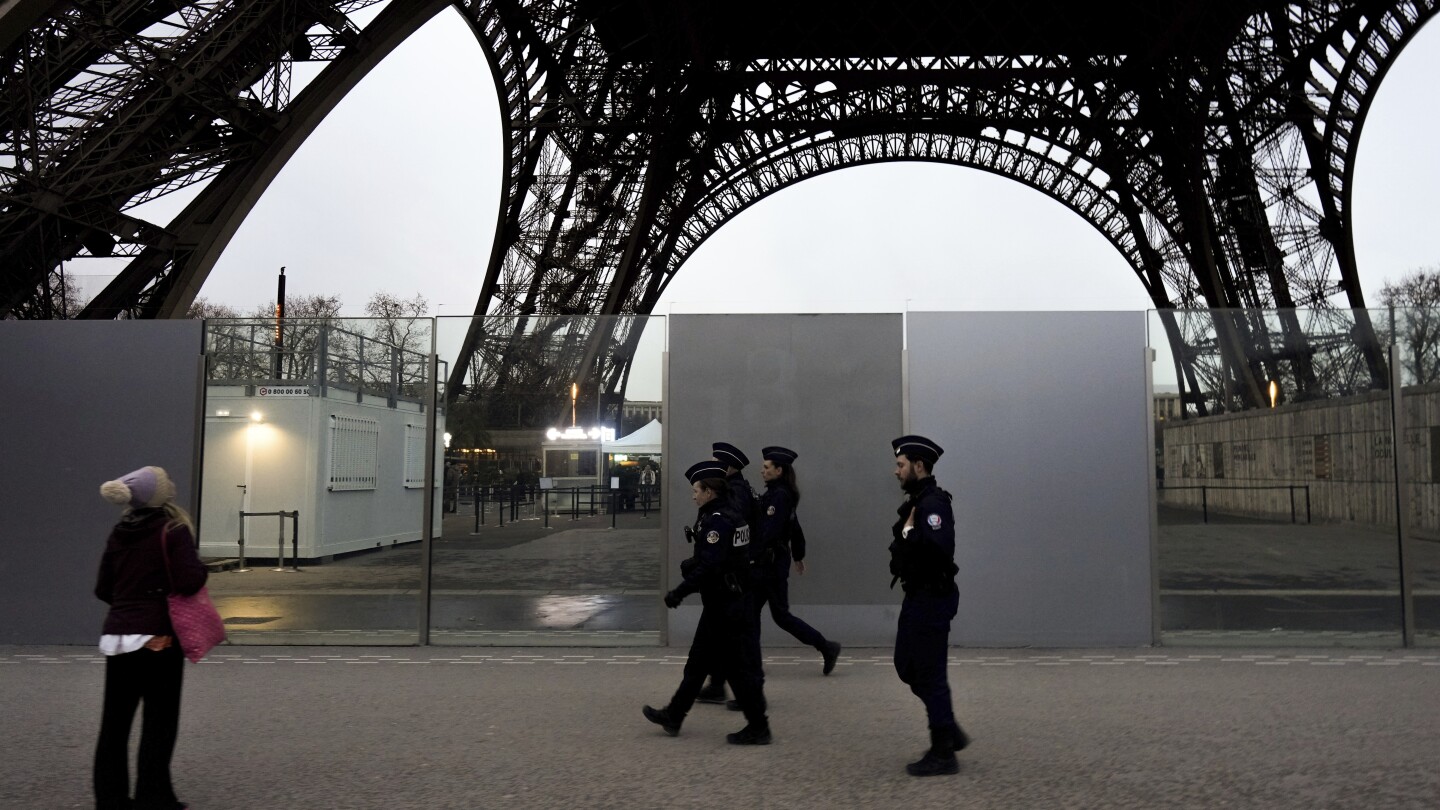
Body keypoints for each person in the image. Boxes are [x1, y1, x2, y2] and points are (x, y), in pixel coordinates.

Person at [93, 466, 208, 810]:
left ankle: (110, 799)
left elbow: (103, 588)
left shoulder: (119, 532)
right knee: (159, 719)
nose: (171, 483)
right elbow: (189, 581)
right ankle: (153, 796)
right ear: (159, 493)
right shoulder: (173, 531)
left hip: (118, 636)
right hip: (159, 637)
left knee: (115, 722)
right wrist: (201, 569)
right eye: (166, 480)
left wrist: (129, 607)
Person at [643, 461, 771, 744]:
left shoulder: (719, 520)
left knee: (737, 670)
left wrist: (679, 591)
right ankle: (674, 715)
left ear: (710, 491)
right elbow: (722, 558)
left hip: (726, 606)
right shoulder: (728, 514)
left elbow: (711, 566)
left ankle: (759, 726)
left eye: (696, 490)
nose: (693, 496)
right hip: (723, 603)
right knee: (698, 664)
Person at [888, 435, 969, 777]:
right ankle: (947, 727)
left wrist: (909, 535)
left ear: (918, 466)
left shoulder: (933, 503)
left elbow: (940, 550)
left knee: (931, 674)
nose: (896, 471)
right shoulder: (918, 499)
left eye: (901, 465)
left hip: (931, 598)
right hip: (917, 596)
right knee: (906, 664)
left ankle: (943, 751)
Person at [737, 446, 841, 696]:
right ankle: (755, 665)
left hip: (769, 565)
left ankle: (826, 646)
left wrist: (750, 558)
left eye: (766, 467)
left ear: (779, 470)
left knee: (777, 615)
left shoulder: (779, 496)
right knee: (753, 613)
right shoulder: (778, 494)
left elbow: (769, 531)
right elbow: (795, 527)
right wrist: (798, 555)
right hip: (771, 563)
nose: (762, 470)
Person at [695, 441, 759, 705]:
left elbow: (730, 533)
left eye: (718, 462)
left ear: (730, 467)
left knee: (737, 637)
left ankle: (749, 699)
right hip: (735, 574)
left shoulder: (735, 494)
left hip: (734, 575)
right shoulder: (740, 490)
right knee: (721, 634)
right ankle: (718, 685)